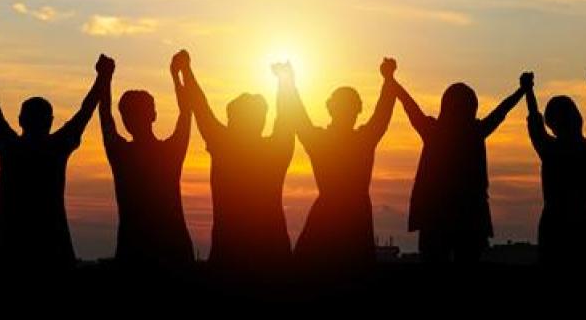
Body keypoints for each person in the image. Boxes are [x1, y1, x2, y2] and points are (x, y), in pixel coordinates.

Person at [0, 56, 109, 274]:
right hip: (53, 247)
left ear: (20, 120)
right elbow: (84, 113)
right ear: (50, 121)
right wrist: (102, 79)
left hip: (11, 249)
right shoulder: (56, 147)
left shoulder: (10, 147)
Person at [390, 70, 530, 264]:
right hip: (470, 218)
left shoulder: (433, 131)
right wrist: (522, 91)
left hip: (435, 218)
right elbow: (501, 111)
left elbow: (409, 105)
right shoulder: (475, 132)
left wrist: (391, 81)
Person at [179, 49, 294, 274]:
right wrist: (285, 81)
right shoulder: (276, 149)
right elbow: (286, 118)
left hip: (230, 256)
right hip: (273, 254)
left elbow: (200, 107)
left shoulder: (224, 145)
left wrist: (186, 69)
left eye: (231, 119)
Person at [283, 57, 397, 273]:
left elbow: (298, 117)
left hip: (332, 216)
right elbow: (382, 114)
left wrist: (289, 84)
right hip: (353, 217)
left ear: (330, 109)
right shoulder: (362, 139)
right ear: (356, 111)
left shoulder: (322, 140)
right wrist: (388, 80)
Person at [98, 51, 194, 271]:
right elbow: (186, 112)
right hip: (173, 252)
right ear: (154, 115)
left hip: (134, 252)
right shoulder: (171, 151)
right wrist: (177, 75)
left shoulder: (120, 154)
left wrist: (105, 78)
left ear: (124, 120)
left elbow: (104, 114)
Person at [524, 69, 586, 266]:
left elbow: (535, 123)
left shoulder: (550, 150)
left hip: (554, 226)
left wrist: (528, 91)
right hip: (582, 225)